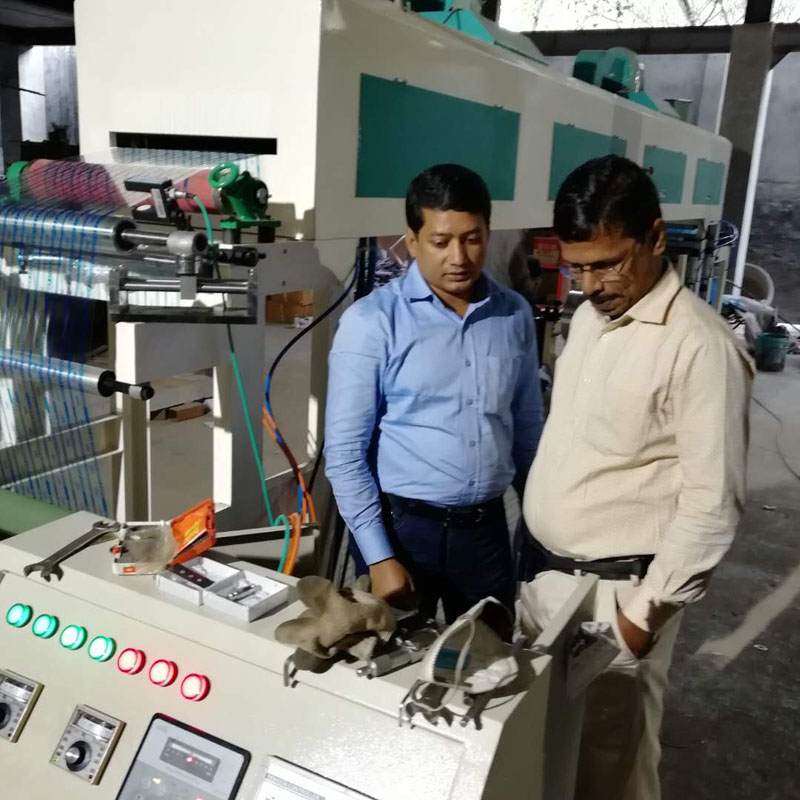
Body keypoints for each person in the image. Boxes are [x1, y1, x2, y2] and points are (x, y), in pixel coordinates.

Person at [519, 155, 753, 799]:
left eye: (606, 264)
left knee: (610, 772)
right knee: (545, 761)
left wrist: (640, 620)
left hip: (617, 597)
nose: (590, 285)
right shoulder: (592, 318)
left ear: (654, 238)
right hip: (548, 581)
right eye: (578, 267)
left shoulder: (699, 346)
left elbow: (713, 505)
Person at [324, 163, 543, 633]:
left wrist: (539, 527)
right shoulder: (373, 322)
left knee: (489, 658)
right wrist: (379, 557)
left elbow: (527, 430)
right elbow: (344, 454)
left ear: (487, 233)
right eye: (441, 242)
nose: (458, 257)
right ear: (413, 240)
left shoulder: (513, 316)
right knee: (391, 661)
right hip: (402, 531)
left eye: (472, 239)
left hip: (485, 533)